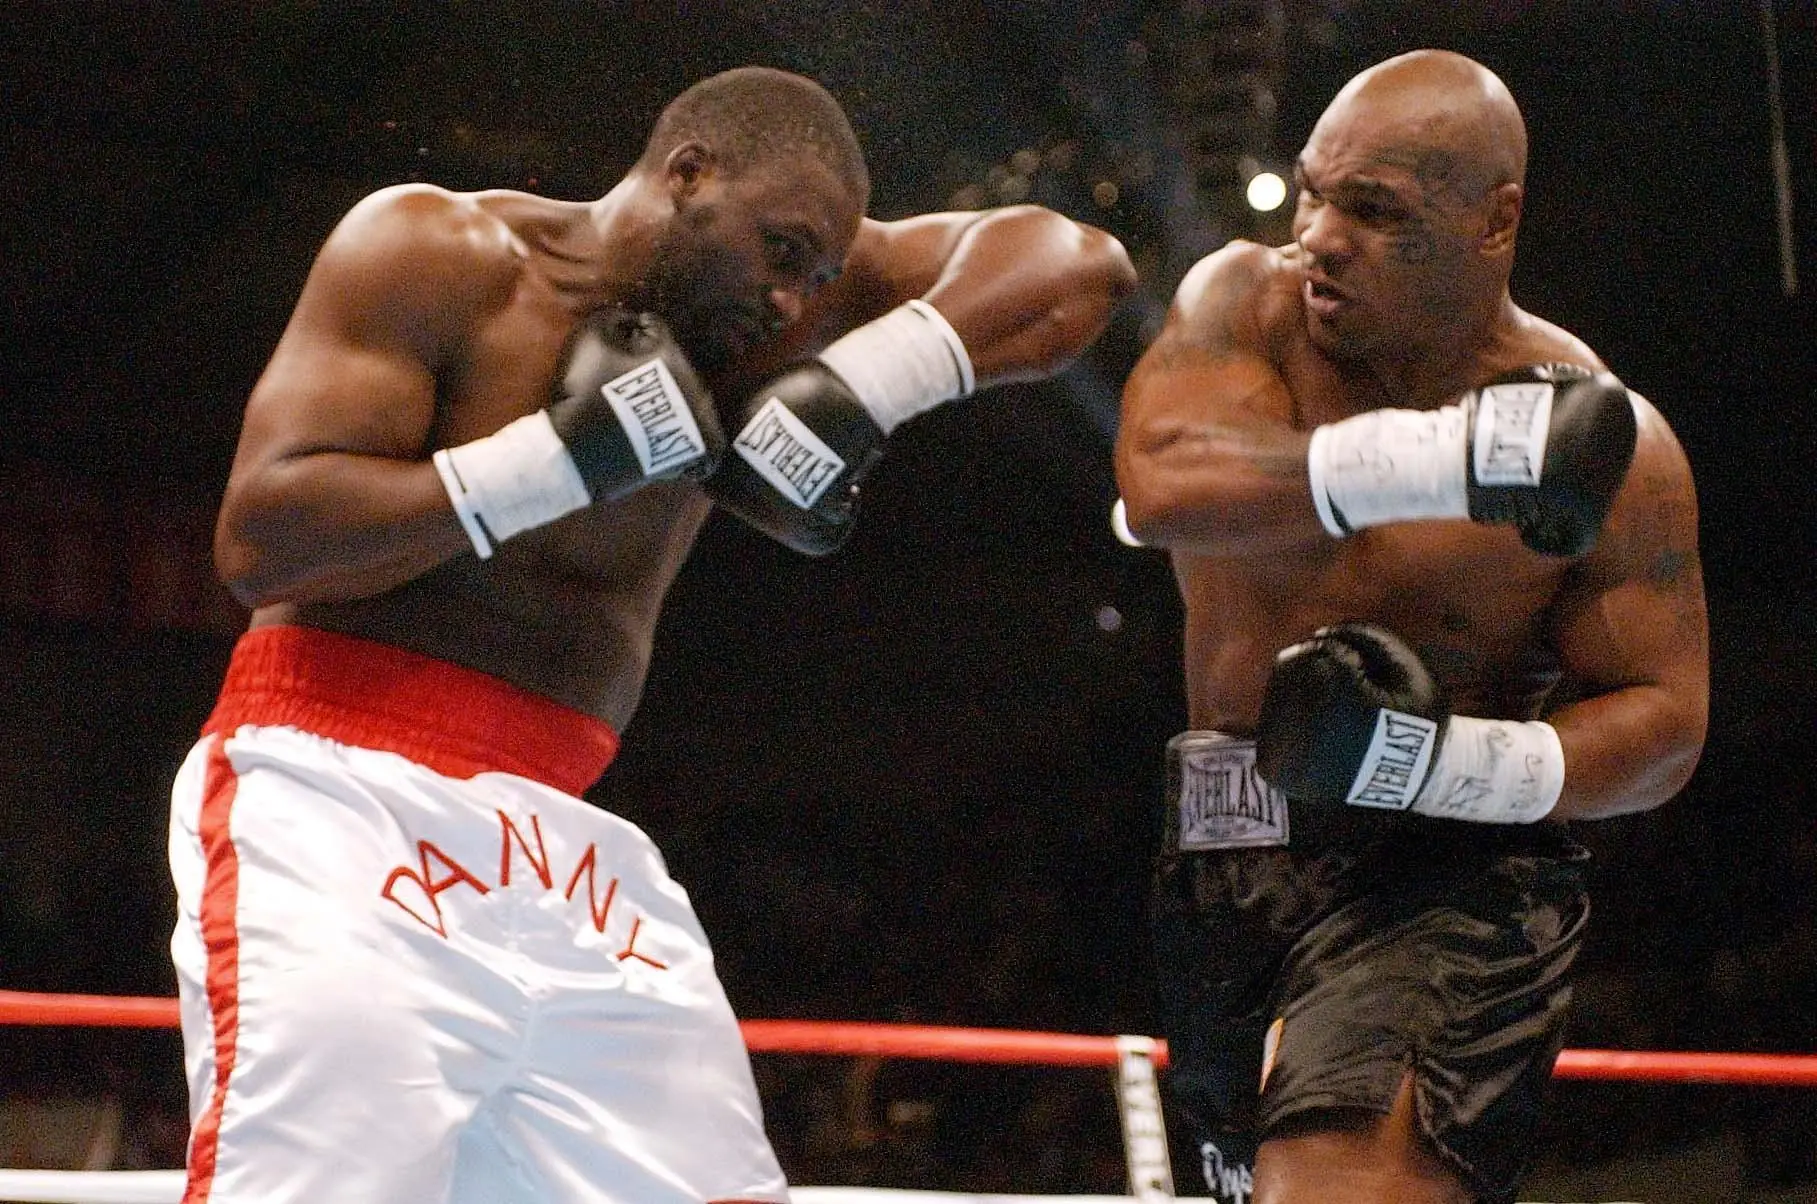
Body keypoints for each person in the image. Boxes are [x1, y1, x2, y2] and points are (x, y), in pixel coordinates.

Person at [169, 65, 1136, 1204]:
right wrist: (554, 462)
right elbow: (262, 542)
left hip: (561, 831)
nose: (793, 302)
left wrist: (866, 383)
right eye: (780, 254)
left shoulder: (797, 300)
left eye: (819, 272)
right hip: (337, 785)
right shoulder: (441, 253)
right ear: (688, 176)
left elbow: (1080, 268)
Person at [1114, 50, 1707, 1204]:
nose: (1319, 235)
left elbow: (1665, 724)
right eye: (1312, 191)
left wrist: (1433, 766)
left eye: (1373, 211)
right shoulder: (1243, 305)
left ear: (1495, 222)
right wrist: (1459, 460)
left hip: (1445, 878)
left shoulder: (1608, 444)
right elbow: (1161, 481)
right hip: (1219, 856)